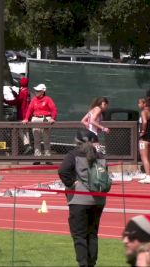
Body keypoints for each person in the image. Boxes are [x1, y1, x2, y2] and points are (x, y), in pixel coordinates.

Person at [58, 128, 106, 267]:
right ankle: (91, 264)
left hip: (79, 199)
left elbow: (62, 171)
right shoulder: (100, 156)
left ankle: (83, 264)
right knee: (92, 233)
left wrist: (72, 183)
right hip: (99, 199)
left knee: (79, 235)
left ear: (77, 141)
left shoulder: (73, 154)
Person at [22, 83, 58, 165]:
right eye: (35, 91)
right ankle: (37, 157)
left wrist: (53, 118)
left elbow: (54, 109)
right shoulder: (34, 99)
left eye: (38, 91)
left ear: (42, 92)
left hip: (46, 119)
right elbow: (29, 110)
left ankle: (47, 158)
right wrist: (26, 119)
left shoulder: (48, 99)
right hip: (35, 119)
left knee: (46, 139)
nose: (36, 92)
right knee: (36, 140)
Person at [3, 77, 32, 154]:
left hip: (22, 114)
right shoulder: (27, 91)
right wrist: (14, 93)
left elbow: (17, 101)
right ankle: (28, 147)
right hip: (27, 115)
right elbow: (20, 100)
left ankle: (27, 145)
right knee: (26, 131)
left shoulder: (23, 92)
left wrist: (5, 101)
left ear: (21, 83)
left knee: (19, 130)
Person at [137, 98, 150, 184]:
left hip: (144, 137)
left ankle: (148, 177)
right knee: (148, 157)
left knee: (144, 157)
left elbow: (144, 121)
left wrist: (142, 132)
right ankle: (149, 174)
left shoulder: (144, 112)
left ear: (144, 104)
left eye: (139, 103)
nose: (138, 105)